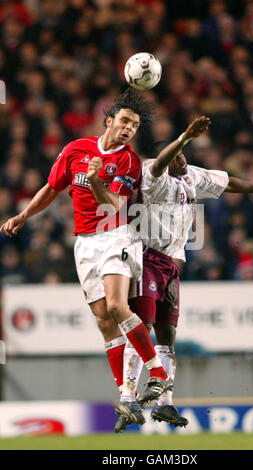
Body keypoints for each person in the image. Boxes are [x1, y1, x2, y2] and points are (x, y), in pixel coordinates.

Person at [107, 115, 253, 432]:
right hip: (148, 258)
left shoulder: (192, 176)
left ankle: (165, 404)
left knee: (168, 337)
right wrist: (182, 138)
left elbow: (228, 182)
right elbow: (161, 162)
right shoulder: (153, 176)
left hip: (171, 266)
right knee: (143, 326)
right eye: (177, 154)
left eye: (183, 154)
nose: (182, 158)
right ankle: (127, 394)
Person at [0, 88, 172, 425]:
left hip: (117, 234)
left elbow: (114, 207)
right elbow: (52, 187)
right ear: (109, 121)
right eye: (124, 121)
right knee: (105, 322)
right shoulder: (75, 149)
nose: (128, 129)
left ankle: (158, 373)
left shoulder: (128, 161)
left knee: (117, 306)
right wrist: (24, 215)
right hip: (85, 243)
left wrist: (94, 180)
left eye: (134, 125)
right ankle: (127, 395)